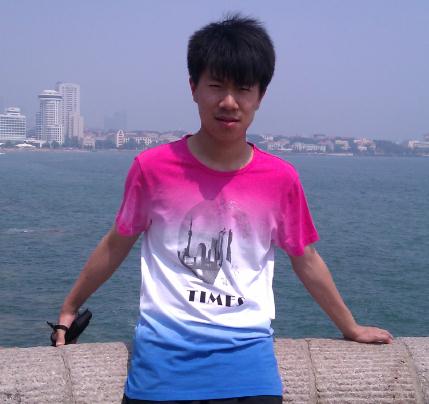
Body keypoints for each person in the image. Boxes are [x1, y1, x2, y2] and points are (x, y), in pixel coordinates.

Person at [54, 14, 393, 403]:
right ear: (193, 88)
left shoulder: (280, 179)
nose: (229, 102)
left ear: (260, 96)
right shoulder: (152, 168)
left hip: (249, 369)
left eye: (243, 89)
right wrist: (69, 308)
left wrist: (350, 328)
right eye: (216, 86)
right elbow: (117, 243)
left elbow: (306, 258)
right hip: (161, 367)